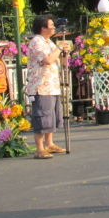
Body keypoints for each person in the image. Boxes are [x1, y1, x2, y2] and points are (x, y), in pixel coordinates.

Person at [26, 15, 70, 159]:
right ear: (43, 28)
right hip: (40, 86)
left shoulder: (49, 42)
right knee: (42, 116)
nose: (53, 28)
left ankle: (49, 143)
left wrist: (65, 52)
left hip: (52, 85)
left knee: (51, 116)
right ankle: (39, 149)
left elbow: (61, 62)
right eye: (51, 26)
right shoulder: (36, 42)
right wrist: (58, 47)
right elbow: (48, 60)